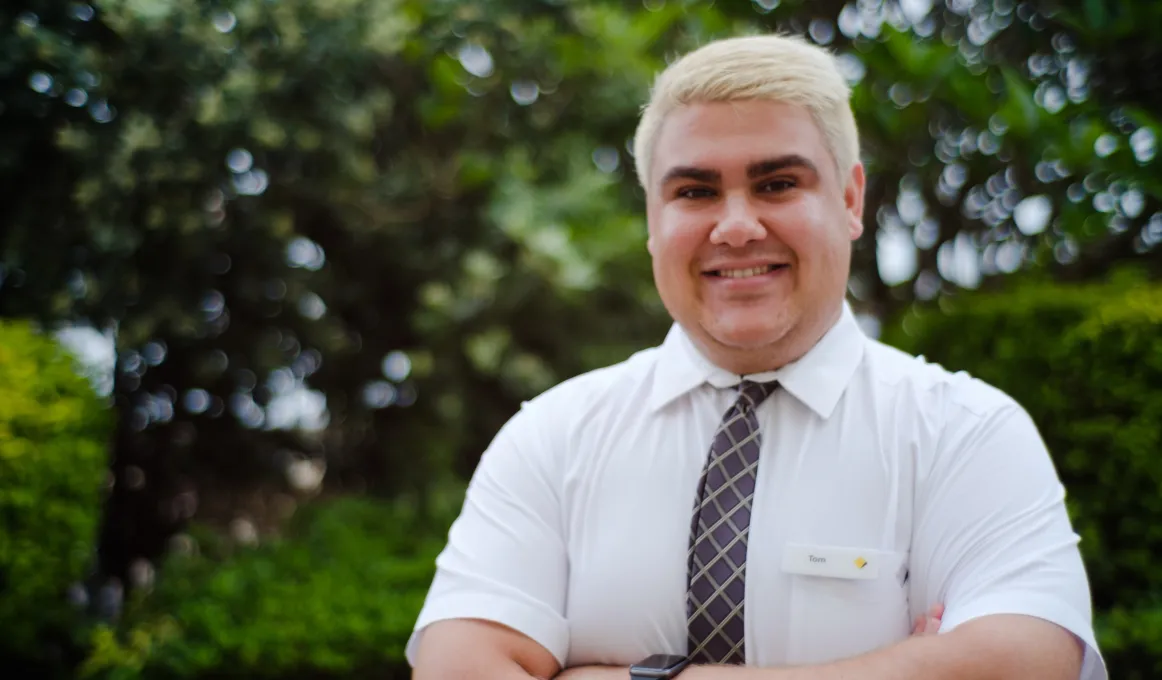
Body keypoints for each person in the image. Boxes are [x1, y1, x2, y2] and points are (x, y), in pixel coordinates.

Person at [406, 33, 1106, 680]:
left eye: (776, 184)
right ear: (653, 220)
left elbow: (1024, 664)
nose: (736, 227)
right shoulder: (552, 437)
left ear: (851, 198)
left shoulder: (967, 433)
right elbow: (454, 666)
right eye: (695, 191)